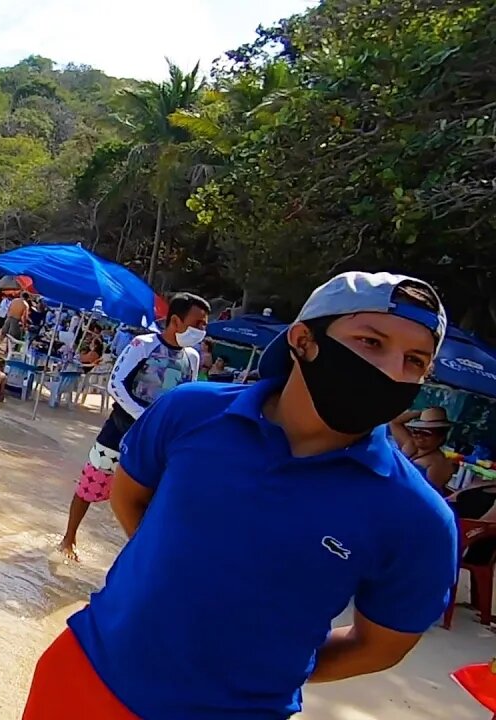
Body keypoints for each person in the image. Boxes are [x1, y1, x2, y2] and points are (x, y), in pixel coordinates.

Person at [23, 271, 458, 720]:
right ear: (304, 340)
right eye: (371, 342)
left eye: (414, 361)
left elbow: (379, 646)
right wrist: (178, 583)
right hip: (82, 676)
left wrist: (265, 666)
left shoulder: (418, 520)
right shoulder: (190, 412)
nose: (391, 370)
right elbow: (128, 496)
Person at [56, 293, 209, 562]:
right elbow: (115, 385)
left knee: (151, 499)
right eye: (198, 323)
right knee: (92, 482)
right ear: (175, 320)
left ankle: (138, 554)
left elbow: (188, 395)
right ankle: (69, 537)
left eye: (204, 325)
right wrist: (146, 416)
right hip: (120, 428)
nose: (202, 331)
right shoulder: (144, 344)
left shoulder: (192, 358)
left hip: (159, 442)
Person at [390, 407, 455, 493]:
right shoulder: (410, 445)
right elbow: (394, 422)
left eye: (426, 433)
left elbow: (425, 494)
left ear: (440, 437)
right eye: (416, 431)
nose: (419, 436)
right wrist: (422, 413)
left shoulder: (439, 463)